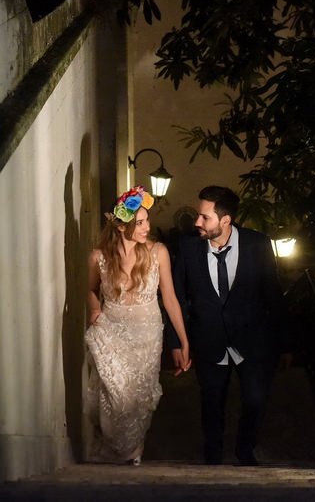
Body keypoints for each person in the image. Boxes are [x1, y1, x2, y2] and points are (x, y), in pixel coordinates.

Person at [165, 185, 293, 466]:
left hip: (253, 339)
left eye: (205, 217)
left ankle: (245, 451)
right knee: (211, 402)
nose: (197, 222)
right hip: (208, 338)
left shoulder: (257, 244)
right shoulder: (188, 247)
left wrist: (284, 344)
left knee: (256, 400)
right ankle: (212, 456)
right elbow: (176, 297)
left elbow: (273, 293)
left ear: (225, 220)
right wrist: (176, 341)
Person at [84, 185, 191, 465]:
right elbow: (90, 290)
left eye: (147, 220)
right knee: (113, 392)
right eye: (139, 222)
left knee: (138, 396)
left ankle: (133, 448)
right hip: (113, 328)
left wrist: (183, 339)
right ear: (122, 227)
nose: (147, 227)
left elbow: (169, 297)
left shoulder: (158, 252)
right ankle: (117, 447)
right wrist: (95, 308)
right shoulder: (99, 257)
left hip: (147, 332)